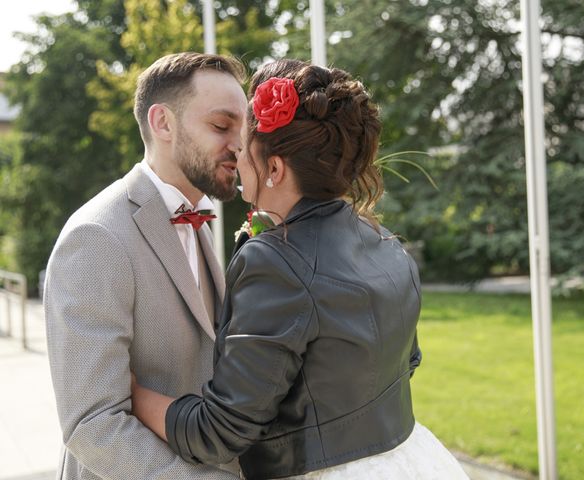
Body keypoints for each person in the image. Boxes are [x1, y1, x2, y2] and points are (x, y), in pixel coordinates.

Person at [131, 59, 469, 480]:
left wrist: (133, 392)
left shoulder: (274, 259)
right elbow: (406, 361)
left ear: (274, 169)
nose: (236, 150)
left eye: (246, 144)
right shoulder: (386, 245)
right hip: (408, 459)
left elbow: (220, 431)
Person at [43, 52, 247, 480]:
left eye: (243, 128)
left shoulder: (199, 222)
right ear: (163, 123)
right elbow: (92, 424)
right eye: (221, 126)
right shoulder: (96, 237)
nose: (240, 144)